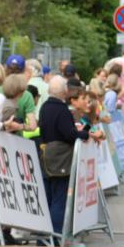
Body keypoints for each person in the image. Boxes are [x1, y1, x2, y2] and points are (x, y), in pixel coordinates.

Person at [39, 76, 104, 238]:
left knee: (49, 197)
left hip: (46, 155)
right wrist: (84, 133)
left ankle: (45, 238)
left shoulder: (45, 107)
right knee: (60, 198)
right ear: (65, 91)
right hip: (61, 158)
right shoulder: (61, 110)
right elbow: (69, 134)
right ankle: (57, 236)